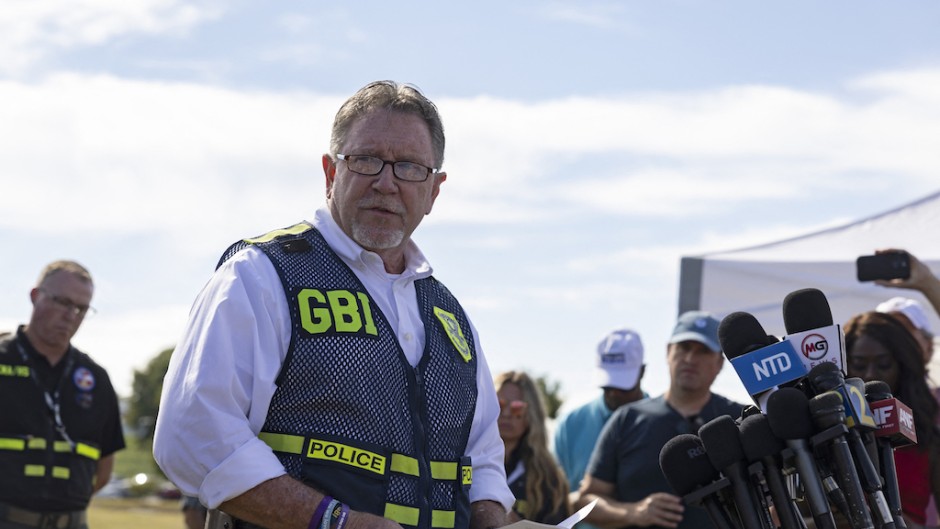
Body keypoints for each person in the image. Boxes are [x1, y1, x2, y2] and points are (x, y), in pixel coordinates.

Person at [153, 80, 514, 529]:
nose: (386, 183)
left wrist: (495, 519)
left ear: (434, 191)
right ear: (330, 172)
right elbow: (193, 435)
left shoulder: (449, 316)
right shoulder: (262, 276)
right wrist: (332, 521)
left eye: (409, 167)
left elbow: (481, 458)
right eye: (365, 160)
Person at [573, 311, 744, 529]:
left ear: (720, 363)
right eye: (684, 347)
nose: (691, 359)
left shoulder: (737, 420)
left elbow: (774, 498)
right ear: (668, 352)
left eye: (703, 351)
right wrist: (632, 512)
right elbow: (587, 499)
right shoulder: (627, 419)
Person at [0, 260, 125, 529]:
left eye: (81, 308)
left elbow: (104, 471)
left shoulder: (95, 378)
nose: (71, 315)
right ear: (35, 297)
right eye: (62, 302)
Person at [845, 310, 940, 528]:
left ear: (902, 367)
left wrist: (890, 518)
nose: (870, 374)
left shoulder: (930, 441)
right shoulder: (821, 438)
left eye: (884, 364)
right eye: (859, 365)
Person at [553, 328, 646, 510]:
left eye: (623, 386)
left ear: (642, 372)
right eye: (607, 385)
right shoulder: (570, 424)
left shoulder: (663, 421)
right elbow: (554, 495)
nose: (614, 393)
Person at [494, 370, 570, 524]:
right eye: (499, 404)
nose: (507, 413)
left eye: (517, 407)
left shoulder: (549, 478)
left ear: (532, 414)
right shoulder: (469, 460)